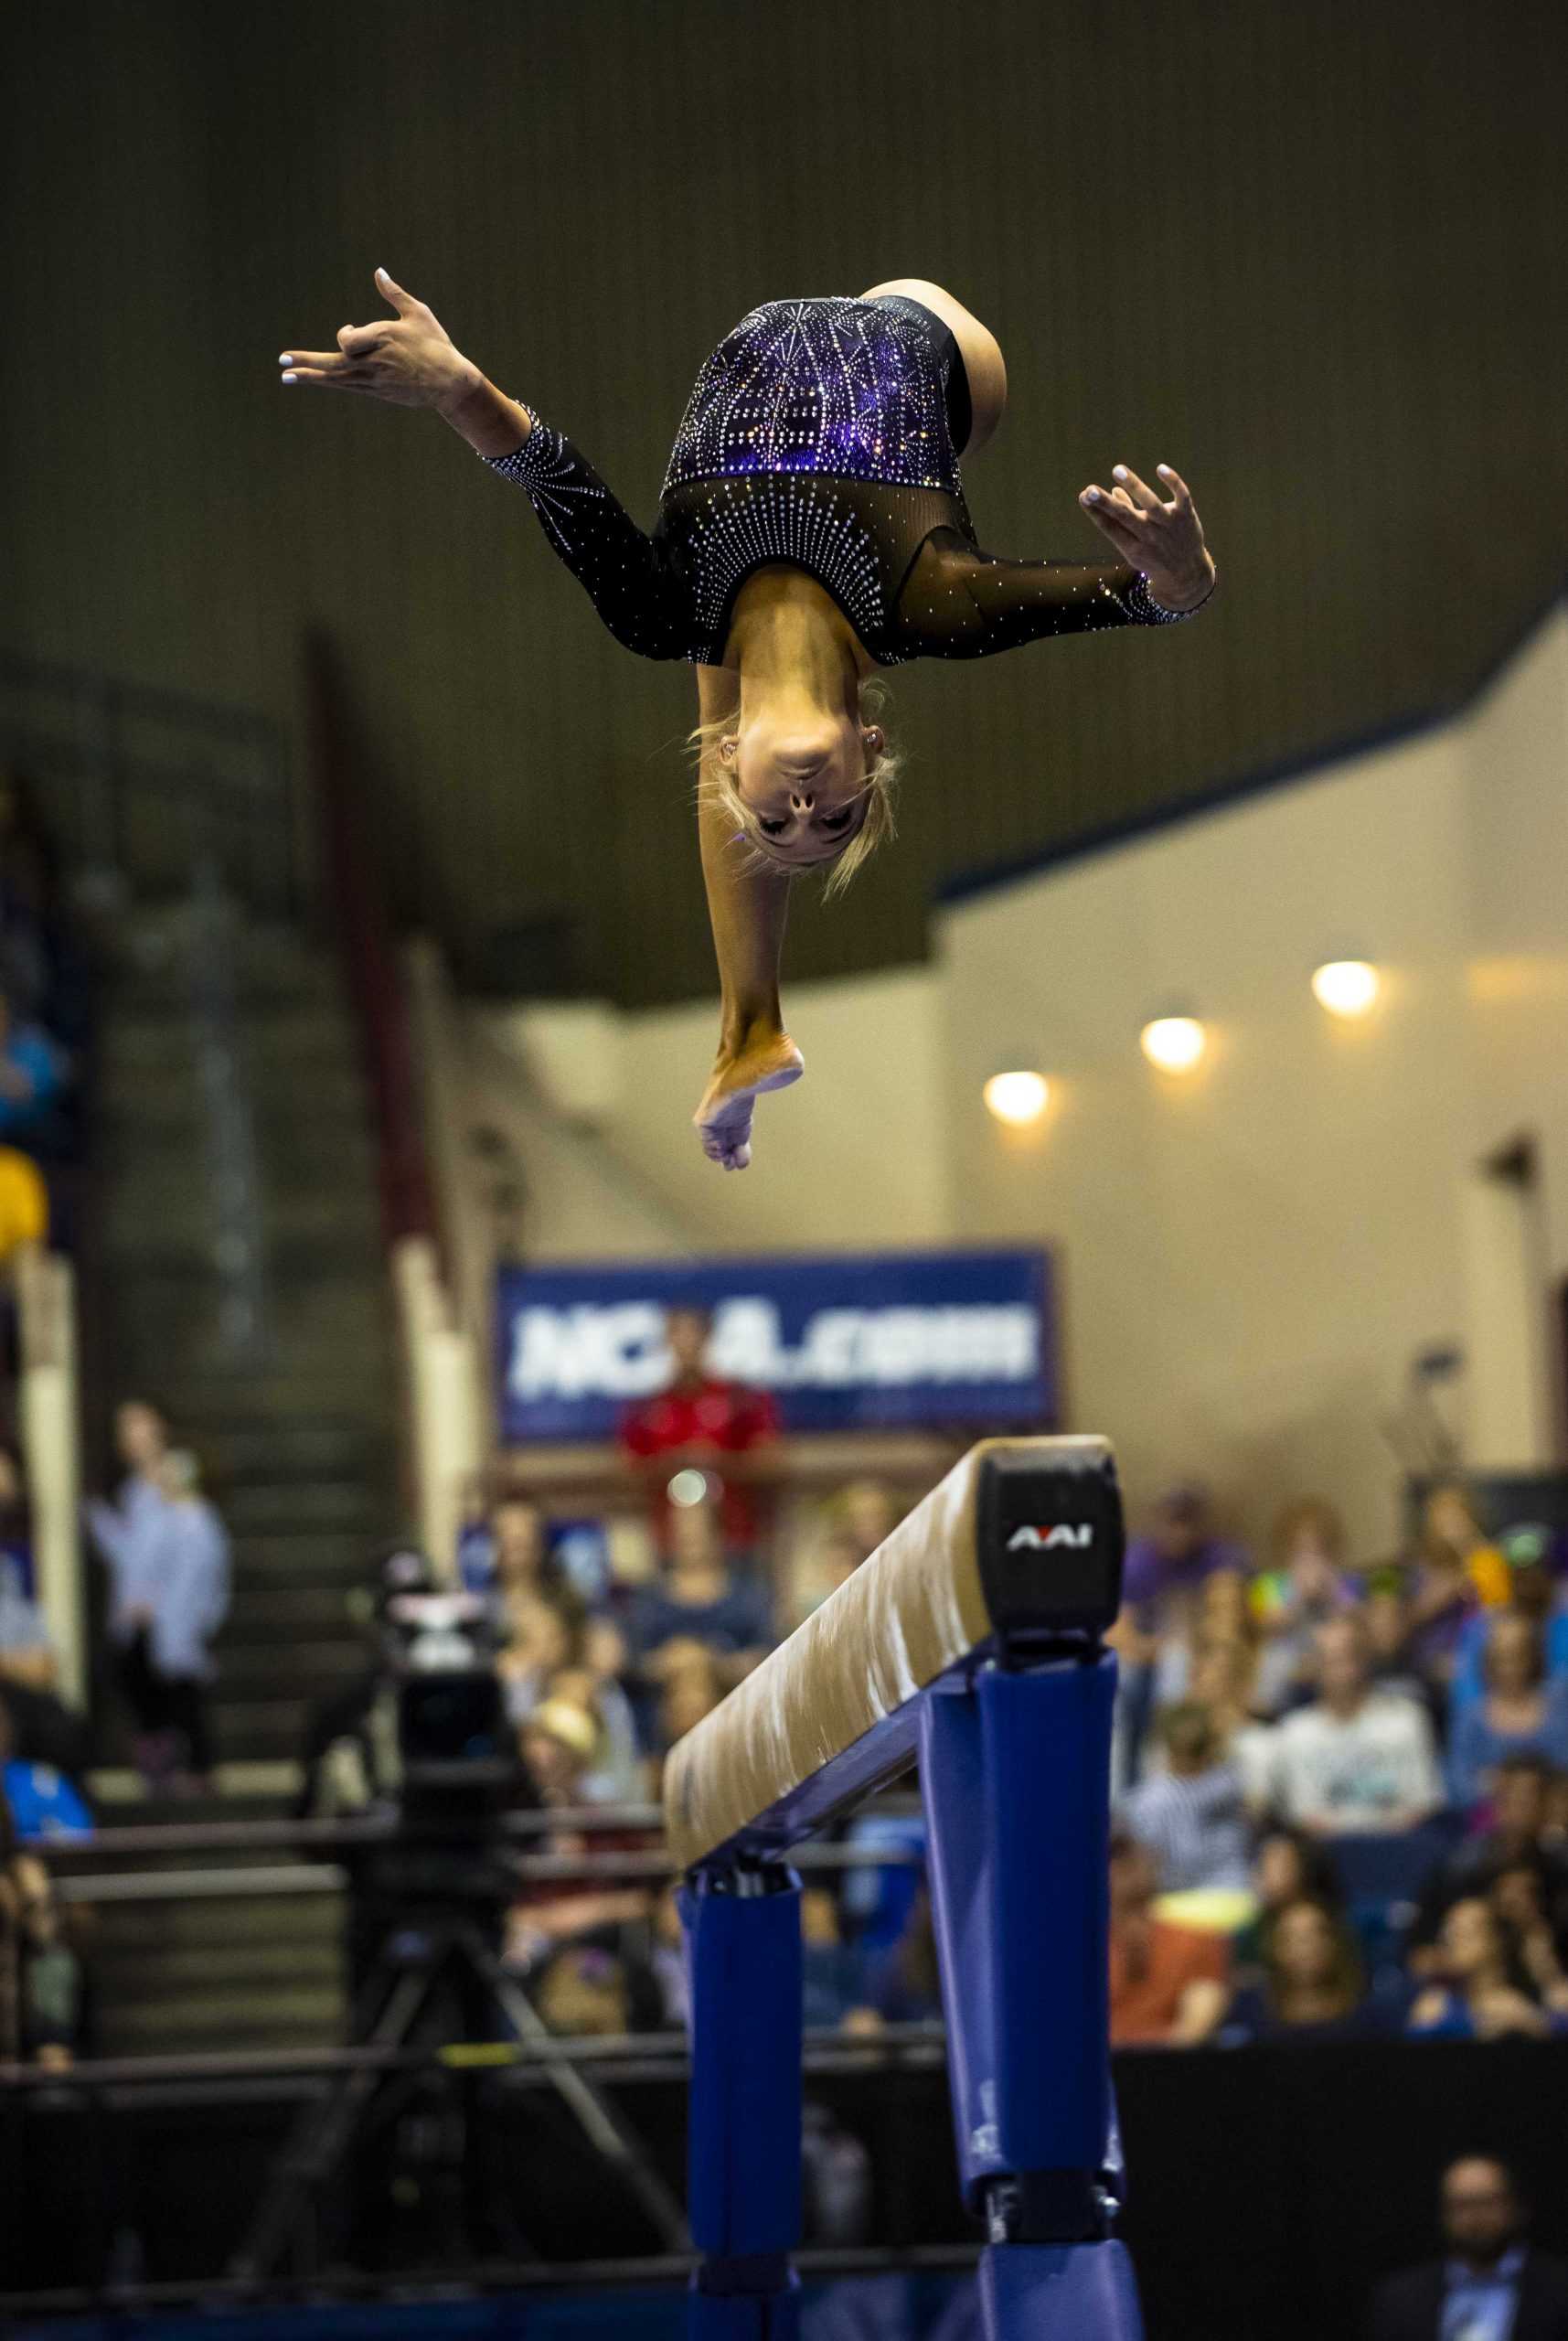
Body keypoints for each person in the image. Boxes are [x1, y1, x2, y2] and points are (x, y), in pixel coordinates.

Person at [279, 271, 1216, 1170]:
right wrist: (1181, 576)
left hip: (724, 545)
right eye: (834, 818)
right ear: (870, 747)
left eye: (775, 818)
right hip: (946, 362)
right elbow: (1132, 596)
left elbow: (549, 475)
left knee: (706, 649)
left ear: (735, 760)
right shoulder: (929, 607)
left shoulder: (661, 611)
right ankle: (749, 1020)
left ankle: (748, 1028)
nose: (802, 809)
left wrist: (454, 385)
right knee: (723, 663)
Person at [618, 1303, 783, 1558]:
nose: (686, 1344)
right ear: (667, 1341)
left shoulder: (740, 1400)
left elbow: (770, 1460)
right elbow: (628, 1467)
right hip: (670, 1540)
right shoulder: (647, 1407)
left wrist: (717, 1462)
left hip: (735, 1536)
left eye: (693, 1334)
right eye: (678, 1334)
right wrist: (673, 1463)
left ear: (708, 1337)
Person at [1263, 1612, 1445, 1836]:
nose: (1340, 1671)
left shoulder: (1406, 1720)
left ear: (1366, 1660)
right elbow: (1303, 1816)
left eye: (1347, 1657)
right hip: (1322, 1859)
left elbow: (1422, 1803)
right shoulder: (1296, 1732)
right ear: (1314, 1666)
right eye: (1329, 1660)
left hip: (1396, 1851)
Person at [1366, 2156, 1568, 2341]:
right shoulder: (1400, 2299)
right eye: (1462, 2205)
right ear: (1443, 2214)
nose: (1475, 2217)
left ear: (1516, 2207)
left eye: (1488, 2202)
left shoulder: (1559, 2290)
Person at [1106, 1829, 1229, 2047]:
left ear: (1152, 1862)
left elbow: (1195, 2028)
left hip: (1169, 2071)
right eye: (1112, 1857)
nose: (1122, 1867)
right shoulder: (1074, 1951)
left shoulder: (1199, 1942)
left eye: (1128, 1856)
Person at [1118, 1702, 1253, 1893]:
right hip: (1236, 1892)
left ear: (1167, 1748)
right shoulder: (1232, 1780)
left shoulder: (1151, 1800)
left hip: (1180, 1902)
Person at [1447, 1613, 1568, 1812]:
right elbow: (1458, 1787)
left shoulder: (1559, 1709)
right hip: (1489, 1827)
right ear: (1488, 1661)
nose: (1510, 1668)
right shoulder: (1471, 1719)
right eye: (1501, 1658)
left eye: (1517, 1656)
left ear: (1533, 1656)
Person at [1221, 1896, 1372, 2044]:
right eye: (1291, 1937)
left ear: (1335, 1942)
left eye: (1318, 1934)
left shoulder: (1371, 2020)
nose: (1306, 1948)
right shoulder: (1247, 2015)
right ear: (1273, 1947)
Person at [1405, 1897, 1561, 2041]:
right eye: (1449, 1932)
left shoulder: (1516, 2010)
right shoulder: (1433, 2004)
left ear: (1497, 1942)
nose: (1452, 1940)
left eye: (1464, 1932)